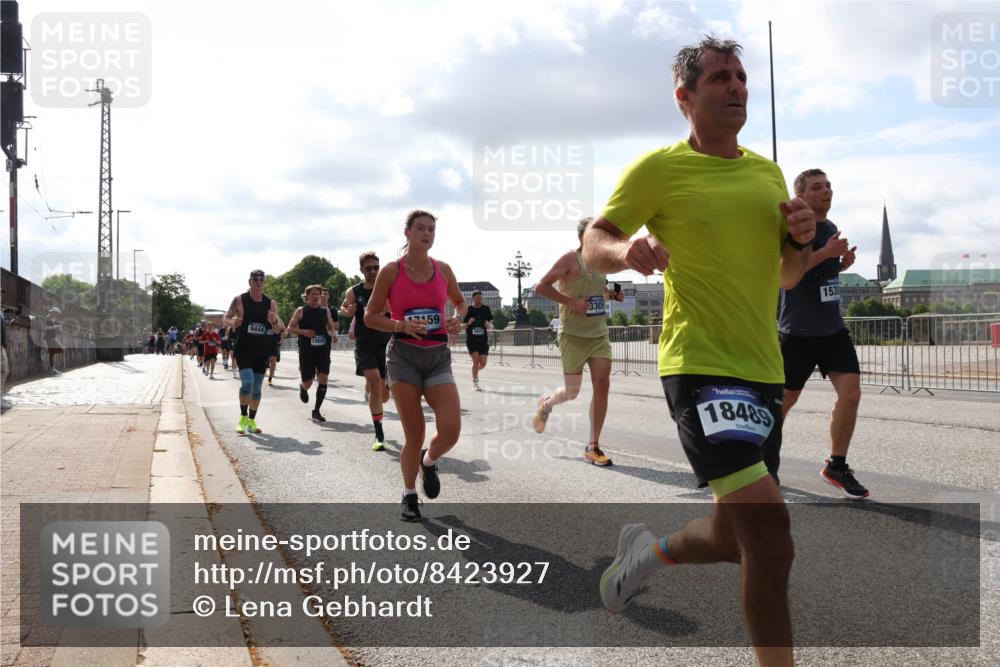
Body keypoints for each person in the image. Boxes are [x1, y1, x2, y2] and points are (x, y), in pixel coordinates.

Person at [582, 37, 816, 666]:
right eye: (719, 77)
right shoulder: (659, 168)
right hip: (700, 367)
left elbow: (787, 274)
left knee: (733, 537)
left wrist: (800, 241)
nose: (736, 86)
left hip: (762, 370)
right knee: (771, 538)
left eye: (740, 76)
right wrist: (625, 251)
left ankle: (645, 557)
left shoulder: (767, 173)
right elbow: (594, 240)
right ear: (684, 97)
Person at [364, 210, 466, 521]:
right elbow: (370, 316)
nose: (427, 233)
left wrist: (457, 318)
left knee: (451, 429)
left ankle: (429, 462)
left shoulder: (443, 269)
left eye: (431, 229)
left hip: (437, 356)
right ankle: (409, 494)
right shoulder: (391, 271)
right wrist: (400, 325)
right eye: (420, 228)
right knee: (415, 433)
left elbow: (460, 302)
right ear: (407, 232)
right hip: (403, 357)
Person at [779, 169, 867, 499]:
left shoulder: (829, 227)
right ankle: (760, 461)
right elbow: (788, 274)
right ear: (800, 196)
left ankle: (836, 466)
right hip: (798, 332)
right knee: (784, 401)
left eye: (828, 185)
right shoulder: (795, 229)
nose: (827, 190)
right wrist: (827, 253)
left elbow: (821, 274)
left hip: (832, 329)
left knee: (851, 394)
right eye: (817, 187)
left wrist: (841, 263)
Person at [531, 218, 624, 466]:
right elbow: (541, 286)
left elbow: (597, 292)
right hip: (572, 334)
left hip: (598, 333)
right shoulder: (570, 259)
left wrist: (612, 295)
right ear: (583, 236)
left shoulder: (602, 262)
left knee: (602, 384)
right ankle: (547, 404)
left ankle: (593, 446)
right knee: (572, 392)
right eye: (597, 234)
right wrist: (571, 302)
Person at [341, 251, 393, 450]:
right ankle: (379, 434)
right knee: (374, 382)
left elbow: (401, 310)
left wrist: (391, 310)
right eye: (368, 268)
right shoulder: (354, 291)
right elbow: (343, 307)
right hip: (364, 343)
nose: (373, 271)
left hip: (386, 344)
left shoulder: (388, 288)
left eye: (376, 267)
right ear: (361, 270)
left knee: (383, 395)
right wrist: (348, 311)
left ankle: (370, 392)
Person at [223, 269, 285, 435]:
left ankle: (251, 420)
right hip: (243, 349)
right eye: (255, 279)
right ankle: (242, 418)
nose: (258, 282)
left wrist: (274, 321)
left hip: (261, 350)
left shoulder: (270, 303)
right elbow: (225, 319)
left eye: (261, 279)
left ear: (263, 282)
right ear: (249, 282)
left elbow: (278, 329)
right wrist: (233, 323)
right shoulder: (239, 300)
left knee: (256, 389)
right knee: (247, 383)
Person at [287, 284, 338, 422]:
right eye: (313, 294)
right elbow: (289, 328)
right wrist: (304, 332)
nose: (316, 296)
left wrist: (333, 334)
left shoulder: (325, 311)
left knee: (323, 377)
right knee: (308, 382)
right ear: (307, 296)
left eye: (318, 294)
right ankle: (303, 387)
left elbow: (331, 327)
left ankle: (316, 411)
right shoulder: (301, 311)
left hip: (323, 349)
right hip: (307, 351)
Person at [462, 290, 493, 391]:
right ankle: (475, 382)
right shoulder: (469, 310)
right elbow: (463, 326)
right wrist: (469, 323)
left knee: (483, 363)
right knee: (476, 361)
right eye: (477, 299)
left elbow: (490, 322)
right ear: (473, 299)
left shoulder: (486, 309)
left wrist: (489, 325)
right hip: (472, 339)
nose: (479, 300)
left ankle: (474, 372)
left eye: (480, 298)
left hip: (483, 340)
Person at [43, 307, 64, 374]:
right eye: (57, 313)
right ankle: (52, 369)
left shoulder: (53, 319)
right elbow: (45, 328)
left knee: (59, 350)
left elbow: (59, 327)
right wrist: (56, 327)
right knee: (53, 353)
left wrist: (60, 327)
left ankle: (52, 368)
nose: (57, 315)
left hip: (53, 338)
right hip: (49, 338)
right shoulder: (47, 318)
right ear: (53, 312)